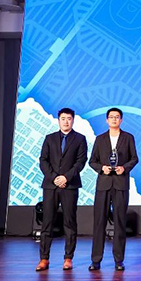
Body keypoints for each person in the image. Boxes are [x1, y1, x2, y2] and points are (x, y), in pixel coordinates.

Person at [36, 107, 88, 271]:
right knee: (47, 222)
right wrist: (54, 178)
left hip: (70, 185)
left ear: (73, 120)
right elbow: (43, 160)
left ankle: (68, 258)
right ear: (58, 120)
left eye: (69, 119)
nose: (66, 122)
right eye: (63, 119)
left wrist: (66, 177)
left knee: (69, 222)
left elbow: (80, 162)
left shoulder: (80, 139)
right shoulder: (49, 138)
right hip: (50, 186)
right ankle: (44, 259)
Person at [88, 107, 138, 271]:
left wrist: (125, 168)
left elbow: (134, 158)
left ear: (121, 120)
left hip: (121, 184)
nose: (114, 119)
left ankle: (119, 260)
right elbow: (92, 161)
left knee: (120, 222)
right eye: (111, 117)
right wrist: (102, 168)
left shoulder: (128, 138)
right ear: (107, 120)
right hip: (103, 184)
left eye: (117, 117)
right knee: (99, 222)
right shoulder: (100, 139)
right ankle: (96, 260)